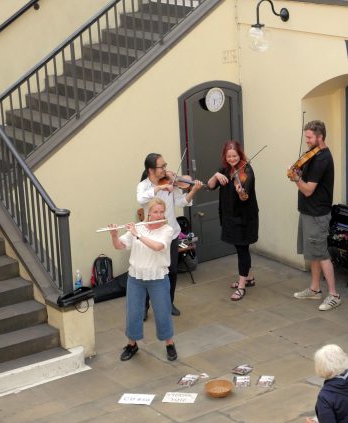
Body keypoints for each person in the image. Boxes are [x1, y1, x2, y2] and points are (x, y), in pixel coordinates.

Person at [108, 197, 178, 362]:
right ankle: (132, 344)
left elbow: (157, 247)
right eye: (156, 212)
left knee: (162, 313)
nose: (159, 214)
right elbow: (119, 246)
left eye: (162, 212)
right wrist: (114, 236)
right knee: (133, 312)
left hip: (158, 277)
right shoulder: (138, 228)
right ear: (149, 213)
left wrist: (137, 235)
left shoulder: (167, 230)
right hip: (136, 277)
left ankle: (169, 344)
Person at [137, 153, 203, 316]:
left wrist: (193, 190)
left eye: (166, 166)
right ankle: (144, 307)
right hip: (152, 236)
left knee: (171, 271)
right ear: (151, 170)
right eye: (162, 167)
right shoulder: (144, 186)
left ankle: (169, 303)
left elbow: (180, 202)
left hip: (171, 233)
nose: (166, 170)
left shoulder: (171, 184)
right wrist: (159, 188)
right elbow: (140, 199)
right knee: (148, 272)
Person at [290, 120, 341, 311]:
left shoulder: (322, 159)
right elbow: (304, 173)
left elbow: (308, 190)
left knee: (321, 253)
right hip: (307, 211)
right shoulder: (312, 155)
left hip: (317, 213)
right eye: (306, 138)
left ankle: (334, 294)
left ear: (320, 137)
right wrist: (297, 171)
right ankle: (314, 289)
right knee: (313, 253)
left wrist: (295, 178)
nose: (307, 141)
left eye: (310, 138)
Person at [206, 140, 259, 301]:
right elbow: (209, 186)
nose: (232, 159)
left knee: (243, 249)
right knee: (239, 247)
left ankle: (242, 286)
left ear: (239, 154)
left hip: (244, 218)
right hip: (230, 216)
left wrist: (240, 190)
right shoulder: (224, 169)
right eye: (229, 156)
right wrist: (216, 175)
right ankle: (249, 277)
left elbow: (245, 195)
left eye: (234, 156)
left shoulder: (247, 170)